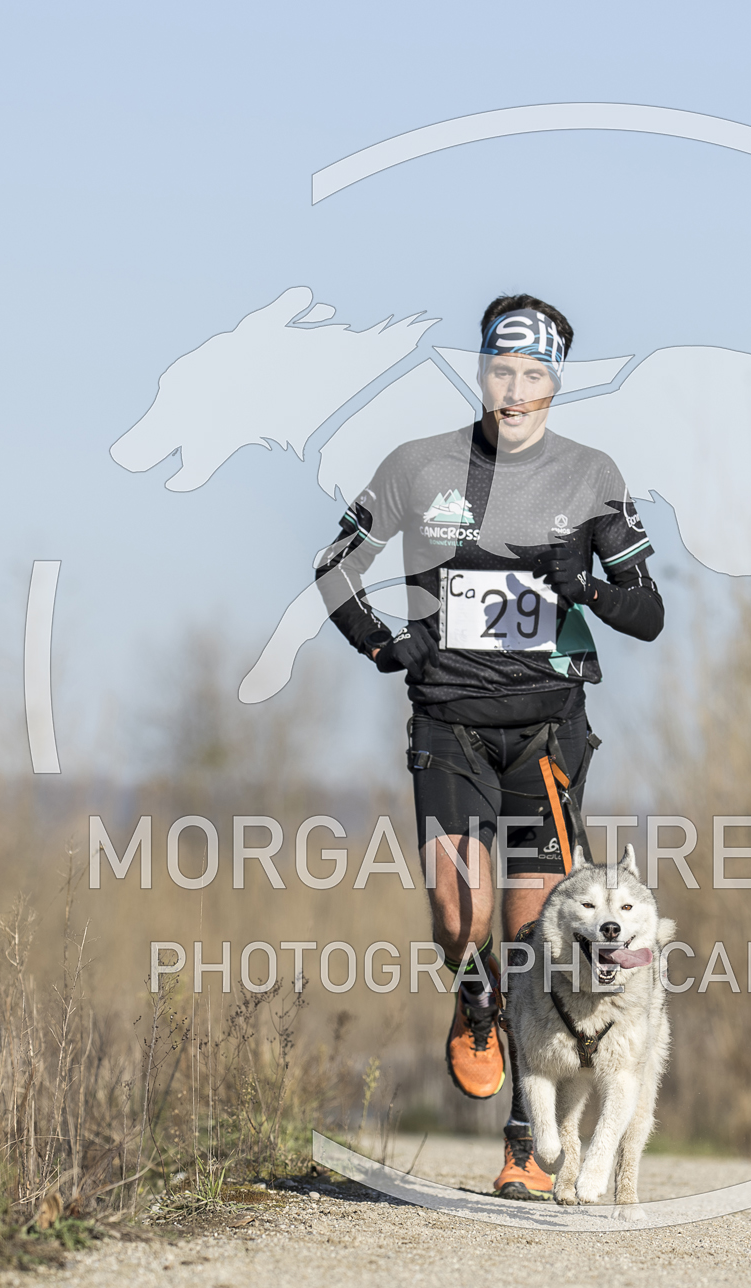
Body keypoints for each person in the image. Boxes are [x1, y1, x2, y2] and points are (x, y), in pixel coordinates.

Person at [312, 294, 663, 1199]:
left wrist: (584, 587)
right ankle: (473, 998)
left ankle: (521, 1143)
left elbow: (649, 613)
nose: (515, 388)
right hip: (448, 722)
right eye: (501, 370)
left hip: (546, 733)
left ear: (555, 383)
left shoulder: (591, 476)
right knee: (456, 914)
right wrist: (381, 644)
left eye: (533, 373)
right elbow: (334, 566)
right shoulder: (417, 466)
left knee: (533, 939)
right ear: (480, 372)